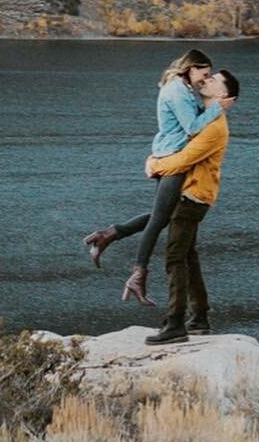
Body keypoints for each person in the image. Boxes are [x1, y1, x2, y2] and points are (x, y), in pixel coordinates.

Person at [83, 48, 223, 305]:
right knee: (161, 218)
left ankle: (109, 235)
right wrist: (218, 108)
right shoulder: (177, 91)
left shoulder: (181, 88)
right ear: (191, 68)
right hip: (172, 160)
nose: (206, 78)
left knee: (164, 215)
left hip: (169, 157)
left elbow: (188, 124)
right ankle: (137, 274)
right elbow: (191, 127)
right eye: (205, 73)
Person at [142, 68, 240, 344]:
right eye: (207, 76)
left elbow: (183, 161)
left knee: (174, 258)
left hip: (192, 198)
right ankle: (199, 318)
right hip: (193, 195)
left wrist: (153, 164)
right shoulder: (202, 117)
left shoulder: (214, 127)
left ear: (223, 95)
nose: (205, 80)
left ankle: (175, 324)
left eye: (213, 80)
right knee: (188, 257)